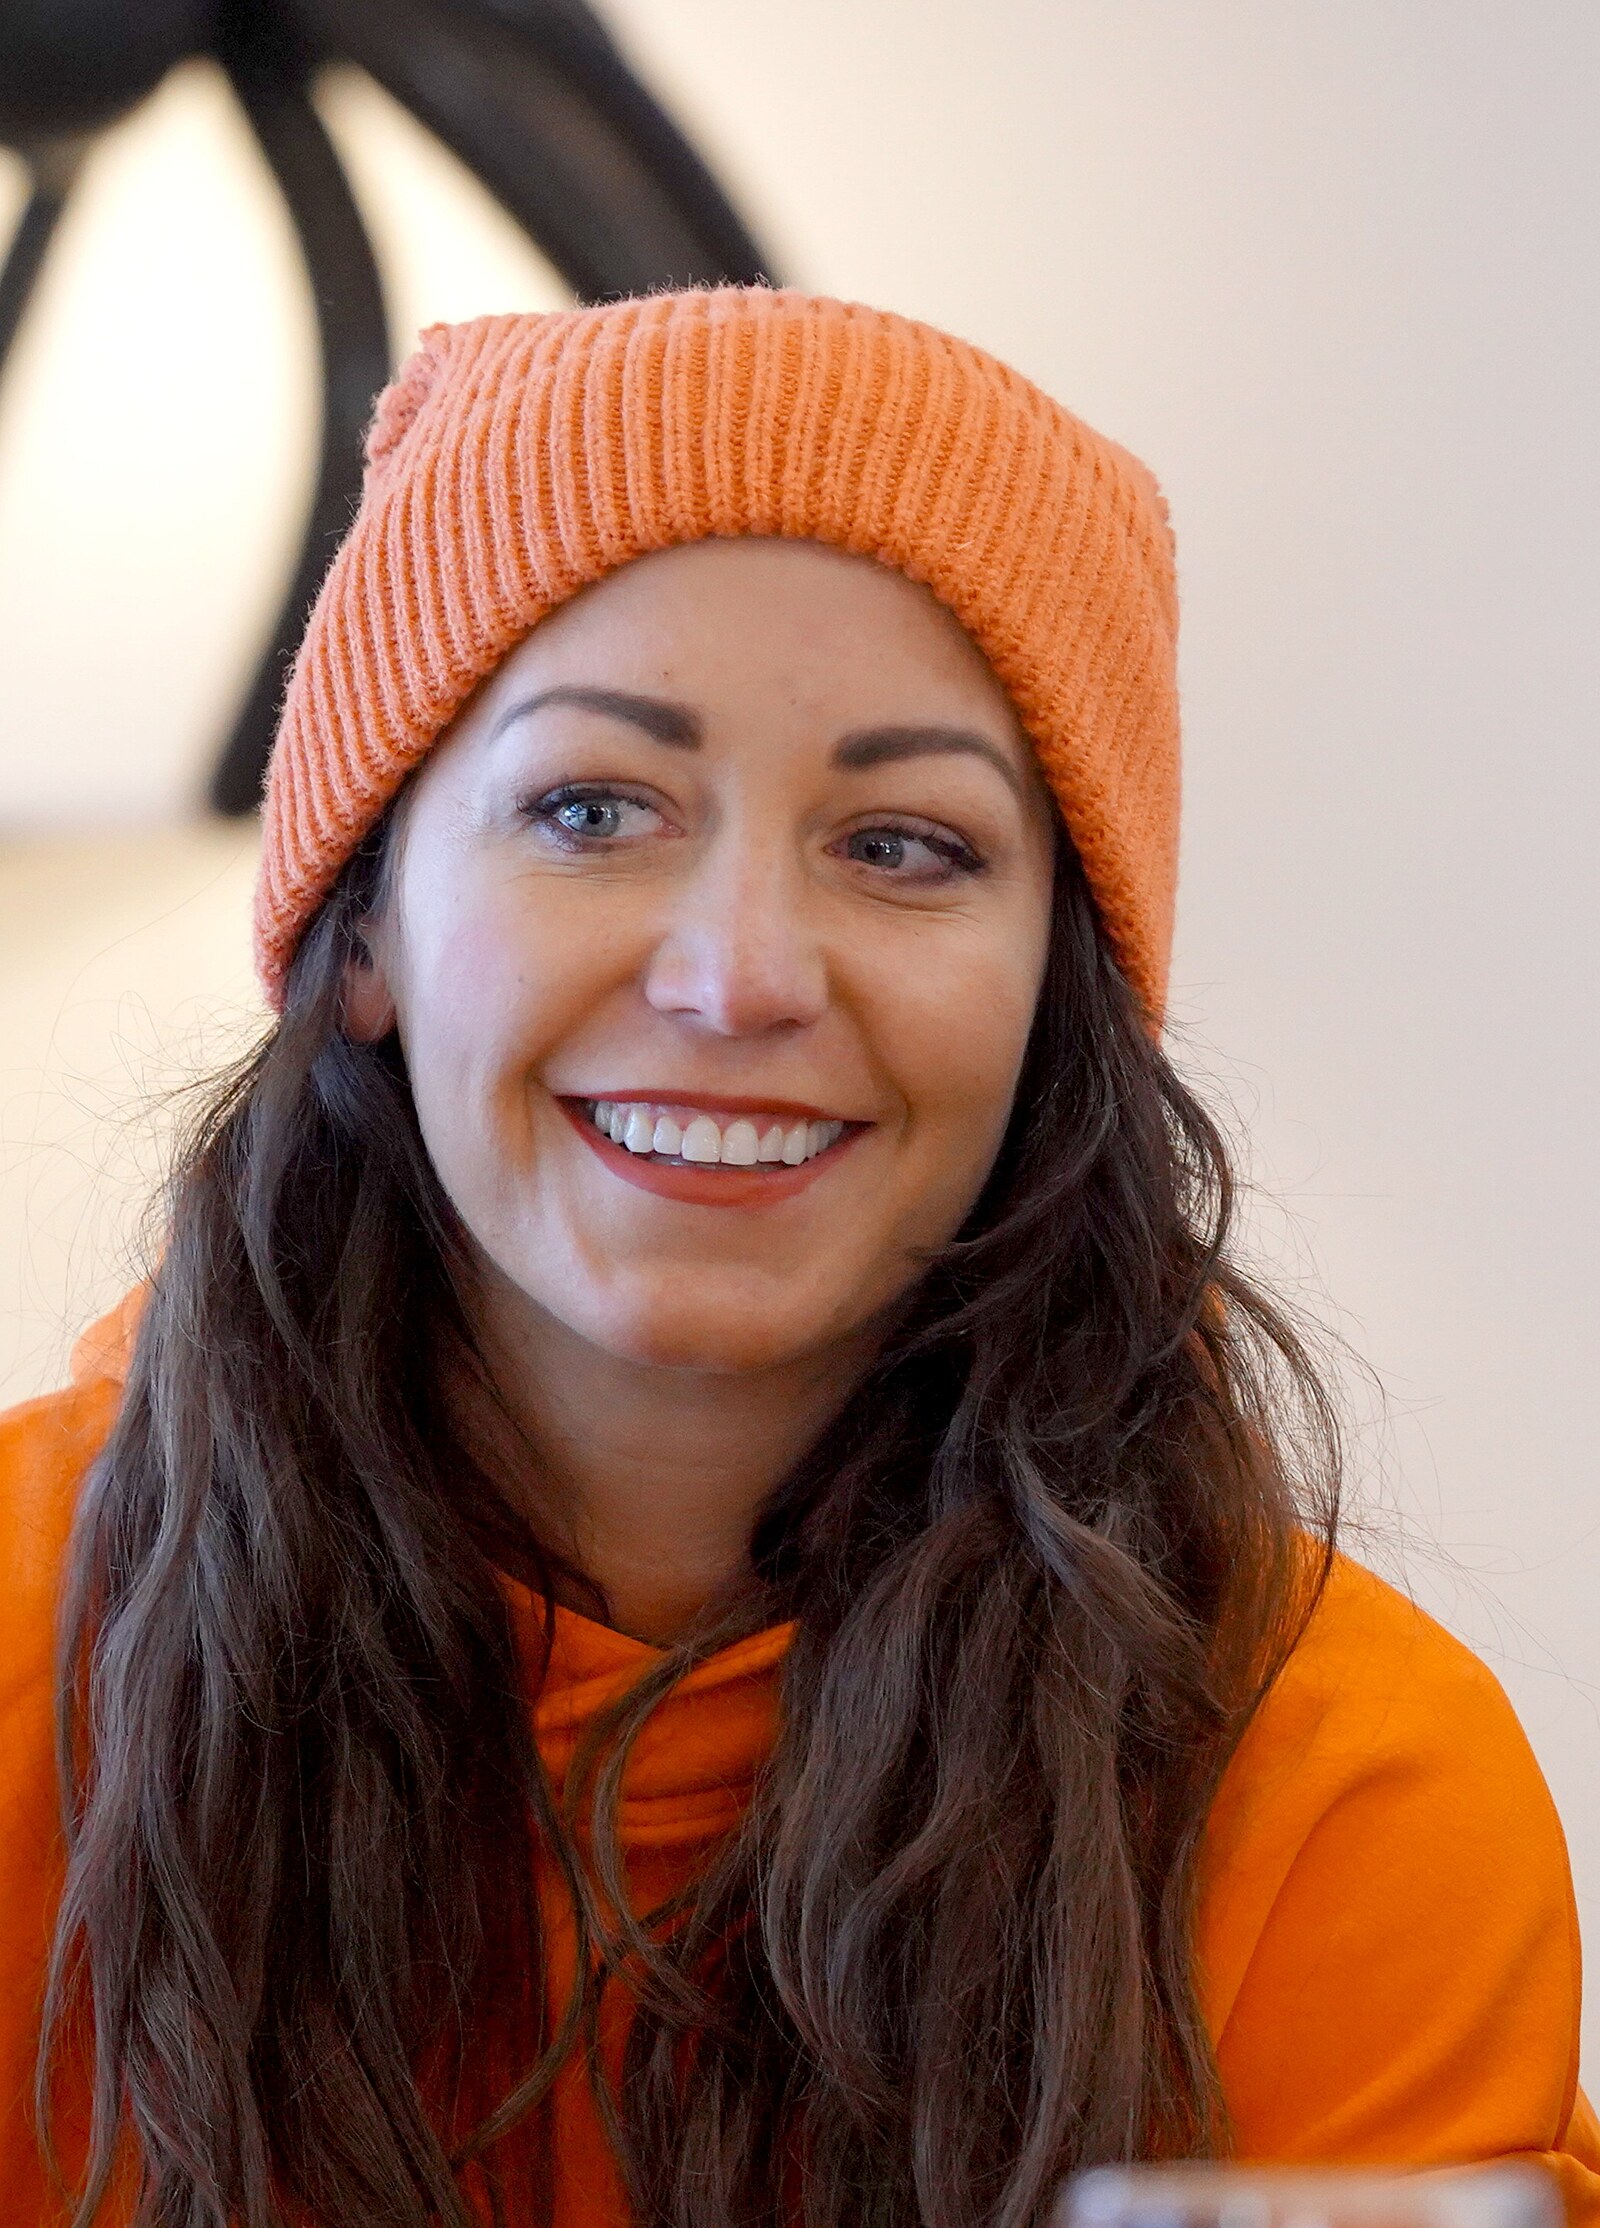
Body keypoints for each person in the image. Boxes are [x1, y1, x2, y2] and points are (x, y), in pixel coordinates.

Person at [0, 288, 1593, 2228]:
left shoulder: (1337, 1790)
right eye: (593, 808)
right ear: (365, 931)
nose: (738, 975)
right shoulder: (23, 1638)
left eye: (904, 844)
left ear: (1057, 994)